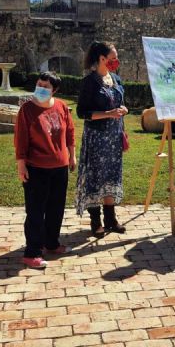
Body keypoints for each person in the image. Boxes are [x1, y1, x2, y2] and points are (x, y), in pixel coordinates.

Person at [14, 71, 76, 269]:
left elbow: (70, 133)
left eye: (46, 86)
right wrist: (21, 164)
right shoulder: (27, 110)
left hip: (60, 166)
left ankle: (52, 243)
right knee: (35, 211)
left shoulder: (61, 106)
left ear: (54, 90)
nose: (41, 88)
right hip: (36, 167)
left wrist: (72, 155)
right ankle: (32, 252)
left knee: (56, 208)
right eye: (39, 84)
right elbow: (21, 139)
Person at [75, 41, 128, 237]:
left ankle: (111, 219)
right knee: (96, 177)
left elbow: (120, 103)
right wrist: (108, 113)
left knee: (112, 176)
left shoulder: (115, 79)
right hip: (97, 137)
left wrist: (123, 110)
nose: (116, 61)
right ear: (101, 59)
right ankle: (95, 221)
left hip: (114, 137)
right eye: (112, 58)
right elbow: (82, 113)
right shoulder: (90, 82)